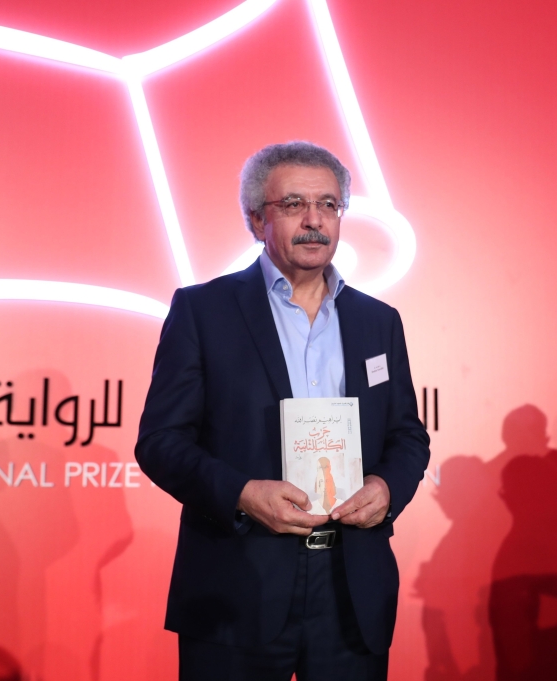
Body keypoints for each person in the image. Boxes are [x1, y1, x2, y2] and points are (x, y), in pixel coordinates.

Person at [136, 140, 430, 680]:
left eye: (329, 205)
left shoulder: (378, 321)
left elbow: (408, 436)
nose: (315, 220)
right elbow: (161, 442)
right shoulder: (203, 311)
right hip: (238, 580)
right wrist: (244, 494)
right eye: (293, 205)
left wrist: (387, 489)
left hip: (351, 587)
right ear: (256, 220)